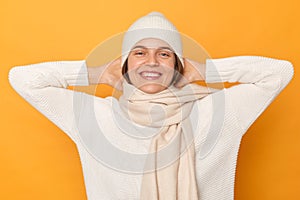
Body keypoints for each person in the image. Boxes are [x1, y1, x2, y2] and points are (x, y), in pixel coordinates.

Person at [8, 11, 294, 200]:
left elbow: (279, 73)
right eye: (139, 52)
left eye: (165, 54)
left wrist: (206, 71)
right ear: (125, 64)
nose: (152, 61)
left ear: (178, 64)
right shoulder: (95, 117)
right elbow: (22, 79)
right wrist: (97, 74)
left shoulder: (217, 113)